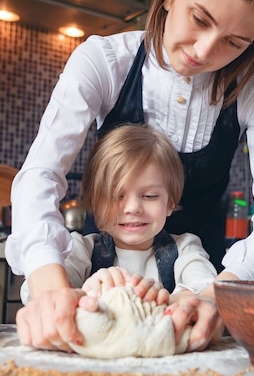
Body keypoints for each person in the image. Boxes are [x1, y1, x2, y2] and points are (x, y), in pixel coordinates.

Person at [6, 0, 254, 352]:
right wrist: (52, 292)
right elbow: (41, 175)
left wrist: (213, 297)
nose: (204, 50)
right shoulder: (103, 60)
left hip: (202, 279)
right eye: (199, 19)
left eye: (235, 43)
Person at [18, 124, 219, 346]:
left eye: (150, 195)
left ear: (170, 202)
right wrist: (87, 293)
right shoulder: (81, 249)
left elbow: (203, 286)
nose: (133, 207)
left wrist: (166, 299)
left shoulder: (185, 248)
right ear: (95, 203)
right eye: (116, 195)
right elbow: (36, 294)